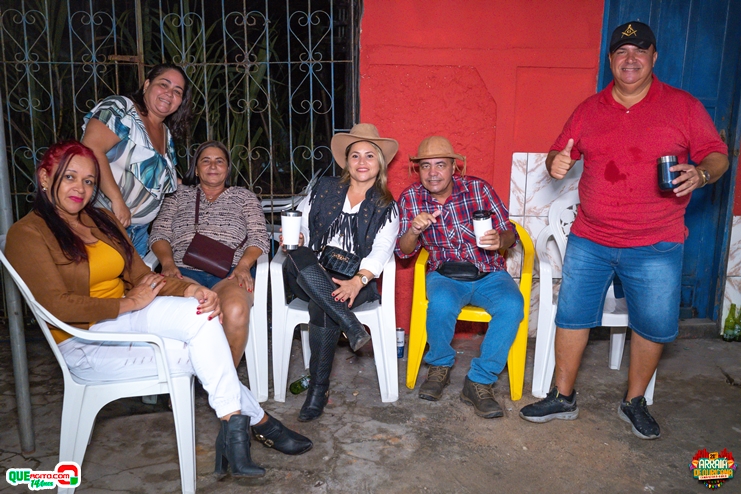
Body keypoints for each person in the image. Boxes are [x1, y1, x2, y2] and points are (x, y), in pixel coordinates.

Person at [5, 141, 312, 479]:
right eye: (70, 177)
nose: (80, 188)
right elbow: (57, 305)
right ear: (45, 177)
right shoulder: (27, 233)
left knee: (202, 314)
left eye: (89, 181)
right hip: (84, 336)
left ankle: (236, 427)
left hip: (125, 318)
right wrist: (128, 303)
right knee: (201, 351)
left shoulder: (101, 220)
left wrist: (192, 290)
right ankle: (257, 424)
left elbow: (142, 276)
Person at [519, 22, 729, 439]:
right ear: (611, 60)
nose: (630, 59)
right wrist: (554, 163)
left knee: (652, 325)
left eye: (639, 51)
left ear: (654, 57)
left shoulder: (683, 107)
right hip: (590, 238)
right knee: (572, 317)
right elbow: (559, 151)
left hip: (656, 242)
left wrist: (702, 174)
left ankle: (635, 402)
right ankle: (563, 396)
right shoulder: (588, 109)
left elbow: (717, 154)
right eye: (621, 52)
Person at [395, 136, 524, 419]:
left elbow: (509, 233)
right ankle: (439, 366)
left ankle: (479, 381)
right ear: (418, 170)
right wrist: (413, 230)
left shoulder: (479, 189)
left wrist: (499, 240)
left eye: (440, 165)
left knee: (512, 306)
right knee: (440, 304)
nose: (432, 173)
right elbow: (404, 252)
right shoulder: (411, 198)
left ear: (454, 167)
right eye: (425, 166)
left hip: (489, 272)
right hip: (445, 274)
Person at [281, 123, 399, 422]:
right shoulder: (324, 189)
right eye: (355, 155)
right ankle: (351, 324)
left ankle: (317, 391)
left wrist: (358, 282)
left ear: (379, 163)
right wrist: (297, 237)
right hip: (309, 271)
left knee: (322, 307)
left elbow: (382, 250)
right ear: (346, 162)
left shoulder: (387, 205)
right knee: (296, 253)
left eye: (369, 156)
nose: (362, 162)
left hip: (355, 279)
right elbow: (301, 224)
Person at [148, 141, 269, 367]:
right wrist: (167, 263)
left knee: (235, 309)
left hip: (231, 273)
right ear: (196, 169)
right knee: (190, 308)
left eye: (219, 161)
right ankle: (184, 378)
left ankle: (224, 381)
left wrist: (244, 265)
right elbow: (159, 233)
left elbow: (259, 237)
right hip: (182, 271)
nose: (213, 166)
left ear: (227, 169)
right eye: (206, 161)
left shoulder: (244, 197)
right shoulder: (178, 196)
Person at [81, 63, 193, 256]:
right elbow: (91, 149)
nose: (169, 93)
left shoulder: (165, 134)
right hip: (103, 224)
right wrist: (117, 200)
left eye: (177, 91)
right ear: (147, 84)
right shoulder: (122, 108)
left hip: (138, 234)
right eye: (164, 84)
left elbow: (158, 180)